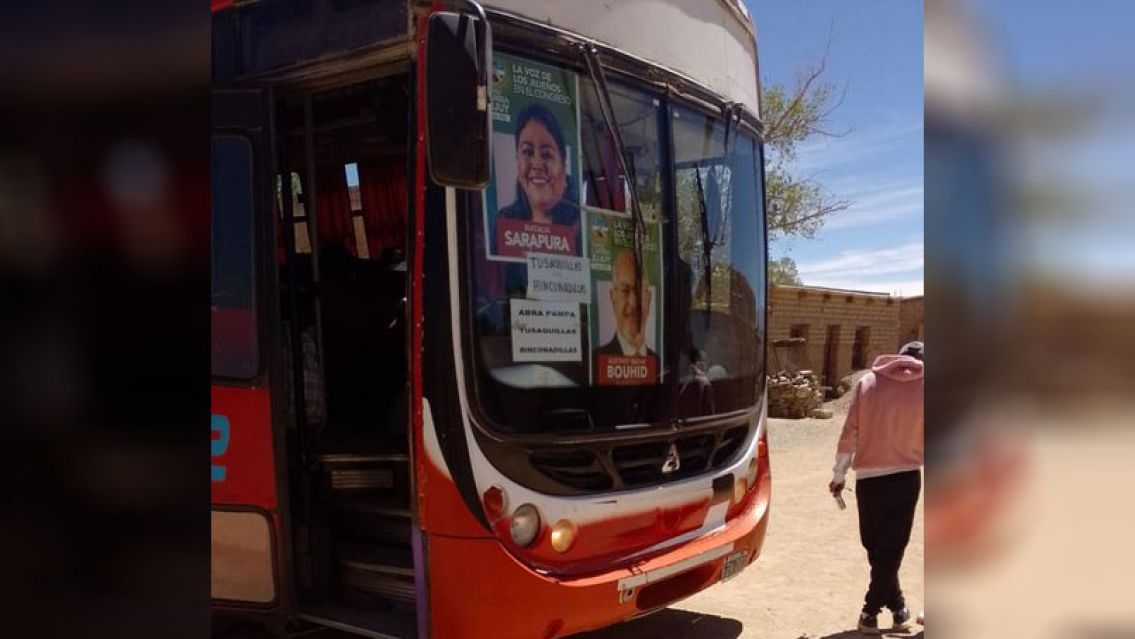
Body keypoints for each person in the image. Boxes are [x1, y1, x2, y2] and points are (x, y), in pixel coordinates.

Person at [829, 341, 924, 634]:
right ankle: (897, 608)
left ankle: (870, 611)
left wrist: (839, 473)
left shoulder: (867, 382)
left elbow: (850, 432)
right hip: (907, 477)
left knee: (877, 548)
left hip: (869, 479)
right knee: (890, 549)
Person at [494, 103, 581, 254]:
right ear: (517, 160)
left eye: (547, 154)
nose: (537, 164)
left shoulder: (581, 224)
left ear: (563, 164)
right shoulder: (504, 221)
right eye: (527, 152)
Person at [596, 249, 655, 357]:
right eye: (624, 290)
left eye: (639, 291)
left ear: (649, 299)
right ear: (613, 299)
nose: (633, 302)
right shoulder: (596, 360)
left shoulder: (660, 365)